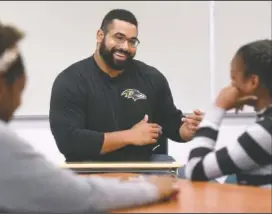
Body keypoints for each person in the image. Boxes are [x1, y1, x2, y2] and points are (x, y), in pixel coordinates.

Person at [0, 18, 179, 213]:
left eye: (131, 41)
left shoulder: (151, 77)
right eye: (17, 91)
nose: (19, 103)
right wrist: (150, 188)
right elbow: (75, 195)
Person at [49, 9, 203, 168]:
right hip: (89, 171)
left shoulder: (152, 78)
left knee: (199, 181)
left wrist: (186, 130)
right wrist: (130, 136)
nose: (125, 47)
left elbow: (171, 123)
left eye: (132, 41)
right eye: (119, 38)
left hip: (145, 169)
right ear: (100, 36)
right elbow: (69, 141)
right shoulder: (71, 81)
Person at [185, 39, 272, 187]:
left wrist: (218, 107)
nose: (231, 86)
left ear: (253, 82)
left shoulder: (266, 131)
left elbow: (195, 170)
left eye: (234, 78)